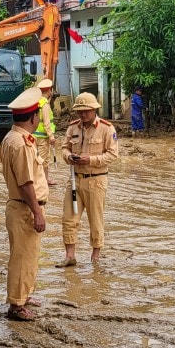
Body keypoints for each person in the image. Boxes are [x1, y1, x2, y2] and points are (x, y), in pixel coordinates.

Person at [0, 86, 49, 321]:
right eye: (37, 115)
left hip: (21, 206)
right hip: (25, 207)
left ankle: (24, 294)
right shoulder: (20, 144)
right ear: (33, 118)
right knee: (21, 258)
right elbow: (26, 182)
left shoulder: (13, 138)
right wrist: (37, 212)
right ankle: (16, 306)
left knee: (28, 255)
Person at [59, 91, 119, 267]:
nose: (82, 114)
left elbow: (113, 154)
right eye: (79, 111)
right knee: (69, 219)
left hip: (96, 180)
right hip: (74, 179)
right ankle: (70, 256)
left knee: (95, 220)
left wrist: (91, 160)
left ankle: (96, 257)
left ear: (94, 110)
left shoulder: (107, 128)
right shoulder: (73, 127)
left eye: (86, 111)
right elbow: (64, 148)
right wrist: (68, 156)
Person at [33, 76, 57, 187]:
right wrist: (51, 136)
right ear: (49, 90)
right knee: (43, 160)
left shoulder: (37, 102)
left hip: (35, 136)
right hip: (43, 137)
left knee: (40, 159)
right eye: (51, 89)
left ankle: (44, 179)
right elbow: (47, 123)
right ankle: (41, 181)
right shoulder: (45, 105)